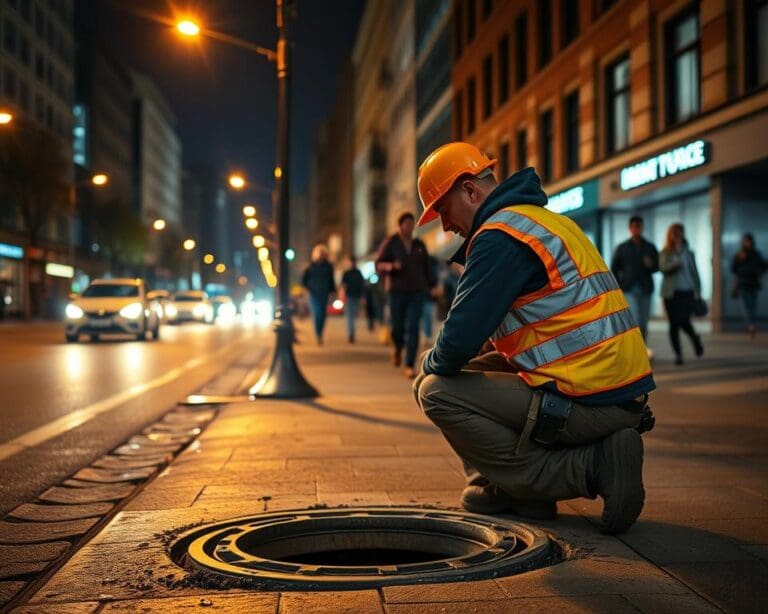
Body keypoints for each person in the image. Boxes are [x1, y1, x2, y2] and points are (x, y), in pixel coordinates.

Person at [412, 142, 655, 535]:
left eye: (442, 209)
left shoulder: (499, 236)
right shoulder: (542, 221)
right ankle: (504, 484)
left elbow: (454, 345)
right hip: (615, 390)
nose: (444, 225)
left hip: (591, 400)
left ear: (470, 191)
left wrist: (428, 361)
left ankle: (586, 468)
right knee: (454, 373)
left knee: (434, 388)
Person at [375, 211, 438, 378]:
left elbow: (427, 267)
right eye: (407, 223)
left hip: (416, 291)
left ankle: (409, 364)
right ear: (400, 225)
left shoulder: (419, 244)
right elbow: (378, 264)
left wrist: (433, 284)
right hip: (396, 291)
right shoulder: (391, 242)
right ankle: (397, 348)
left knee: (413, 327)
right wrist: (391, 267)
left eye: (412, 223)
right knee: (397, 327)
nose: (410, 227)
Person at [659, 223, 704, 365]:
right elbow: (663, 268)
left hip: (687, 292)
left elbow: (695, 272)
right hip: (671, 293)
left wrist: (698, 290)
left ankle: (694, 338)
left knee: (683, 320)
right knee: (673, 323)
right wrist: (674, 264)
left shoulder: (689, 252)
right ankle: (678, 355)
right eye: (675, 233)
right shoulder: (665, 252)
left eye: (680, 233)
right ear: (670, 235)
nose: (678, 236)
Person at [611, 216, 659, 347]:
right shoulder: (623, 247)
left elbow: (657, 267)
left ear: (642, 228)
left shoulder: (650, 247)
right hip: (629, 289)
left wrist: (651, 265)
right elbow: (614, 267)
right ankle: (636, 349)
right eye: (634, 227)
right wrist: (619, 285)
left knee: (643, 322)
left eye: (639, 226)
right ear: (630, 229)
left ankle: (642, 348)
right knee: (635, 320)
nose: (637, 229)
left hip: (645, 288)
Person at [731, 233, 766, 338]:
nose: (747, 243)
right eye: (745, 241)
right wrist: (739, 259)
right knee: (746, 306)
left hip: (753, 284)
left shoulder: (756, 254)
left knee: (753, 306)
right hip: (743, 284)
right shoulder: (739, 254)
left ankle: (751, 325)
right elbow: (733, 268)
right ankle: (751, 325)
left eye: (748, 241)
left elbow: (764, 265)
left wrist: (758, 272)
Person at [301, 243, 336, 345]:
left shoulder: (329, 266)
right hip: (313, 293)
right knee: (317, 313)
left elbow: (331, 280)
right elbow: (304, 280)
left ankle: (320, 332)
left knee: (323, 314)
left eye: (322, 253)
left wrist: (333, 292)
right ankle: (318, 335)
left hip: (324, 293)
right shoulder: (311, 267)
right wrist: (306, 289)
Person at [341, 256, 365, 343]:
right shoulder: (346, 273)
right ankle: (351, 334)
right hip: (349, 297)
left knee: (353, 316)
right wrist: (342, 295)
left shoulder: (358, 273)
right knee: (349, 316)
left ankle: (352, 333)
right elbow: (343, 285)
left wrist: (362, 297)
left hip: (357, 297)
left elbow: (362, 285)